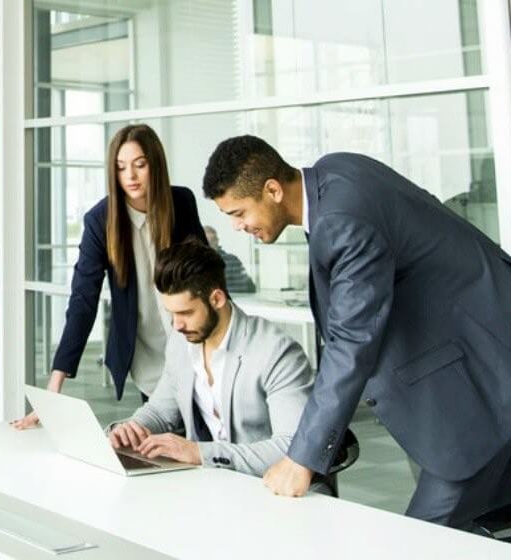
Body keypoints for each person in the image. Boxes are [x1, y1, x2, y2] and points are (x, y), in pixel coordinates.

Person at [201, 135, 511, 530]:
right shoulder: (336, 170)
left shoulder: (341, 220)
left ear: (273, 190)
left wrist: (302, 458)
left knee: (425, 538)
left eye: (239, 212)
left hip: (485, 381)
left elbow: (350, 343)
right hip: (481, 347)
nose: (237, 226)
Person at [14, 124, 206, 429]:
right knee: (166, 444)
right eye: (120, 167)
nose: (130, 176)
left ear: (155, 164)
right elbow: (83, 300)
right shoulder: (100, 221)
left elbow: (205, 275)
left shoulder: (181, 203)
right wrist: (55, 387)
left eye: (139, 165)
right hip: (148, 357)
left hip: (194, 345)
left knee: (205, 437)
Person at [108, 240, 324, 491]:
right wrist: (131, 429)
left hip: (273, 491)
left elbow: (293, 447)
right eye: (171, 314)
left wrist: (200, 453)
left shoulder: (276, 352)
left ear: (217, 299)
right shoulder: (181, 343)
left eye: (186, 313)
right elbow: (160, 411)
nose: (176, 325)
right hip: (213, 490)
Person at [203, 225, 255, 293]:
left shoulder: (231, 260)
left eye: (213, 240)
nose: (210, 244)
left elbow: (248, 287)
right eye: (207, 241)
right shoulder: (193, 263)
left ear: (217, 241)